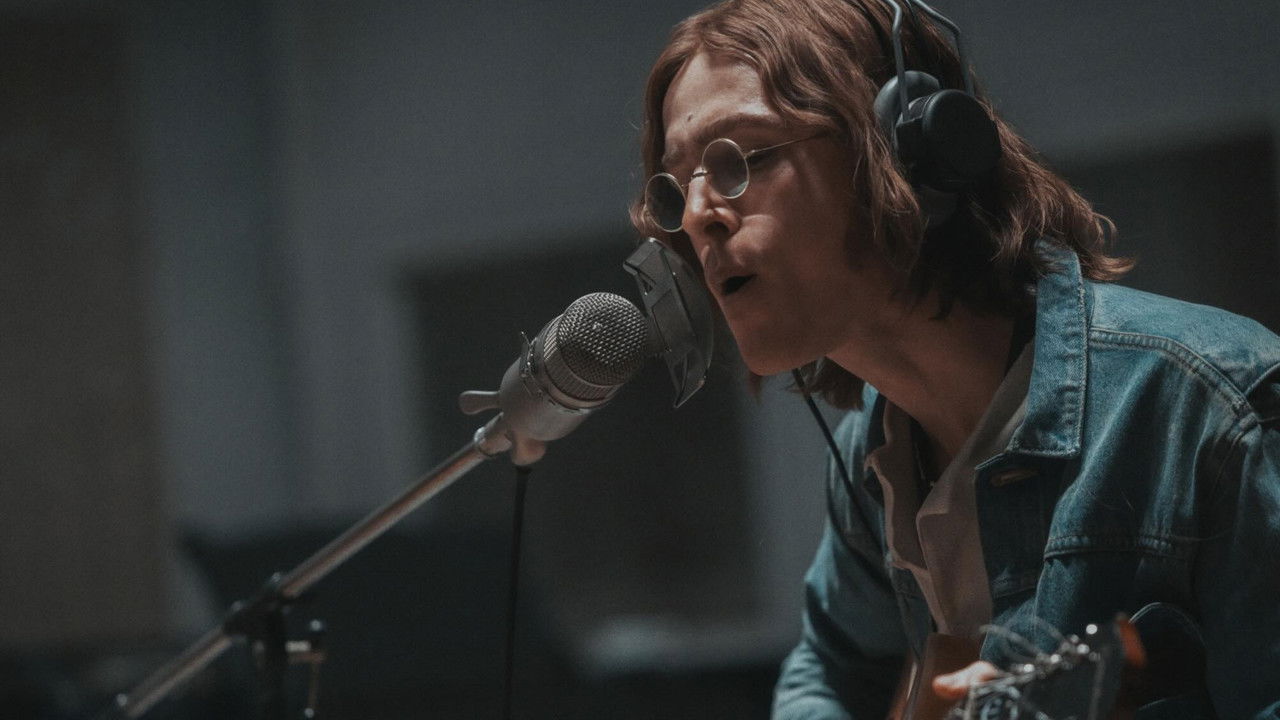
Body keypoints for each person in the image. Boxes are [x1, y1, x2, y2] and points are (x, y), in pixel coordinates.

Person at [629, 0, 1280, 717]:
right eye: (677, 187)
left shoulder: (1209, 409)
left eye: (741, 159)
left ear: (908, 151)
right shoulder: (873, 460)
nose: (698, 217)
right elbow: (829, 673)